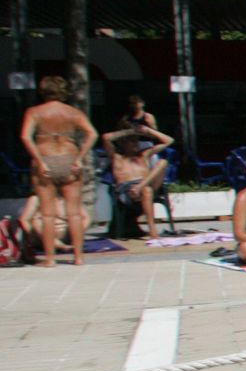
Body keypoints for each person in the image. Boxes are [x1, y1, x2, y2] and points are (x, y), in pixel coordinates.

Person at [20, 75, 98, 268]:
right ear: (64, 92)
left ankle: (50, 259)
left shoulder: (34, 112)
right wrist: (80, 158)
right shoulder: (73, 113)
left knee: (47, 214)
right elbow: (92, 134)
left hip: (45, 159)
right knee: (74, 214)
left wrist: (38, 160)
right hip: (70, 160)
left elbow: (25, 136)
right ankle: (78, 257)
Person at [102, 122, 174, 239]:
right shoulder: (117, 157)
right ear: (123, 143)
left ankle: (141, 186)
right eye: (131, 140)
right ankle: (153, 232)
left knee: (162, 163)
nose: (136, 143)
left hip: (146, 184)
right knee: (147, 190)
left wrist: (148, 130)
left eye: (136, 140)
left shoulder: (144, 155)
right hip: (127, 191)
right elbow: (105, 138)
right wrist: (130, 131)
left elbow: (169, 141)